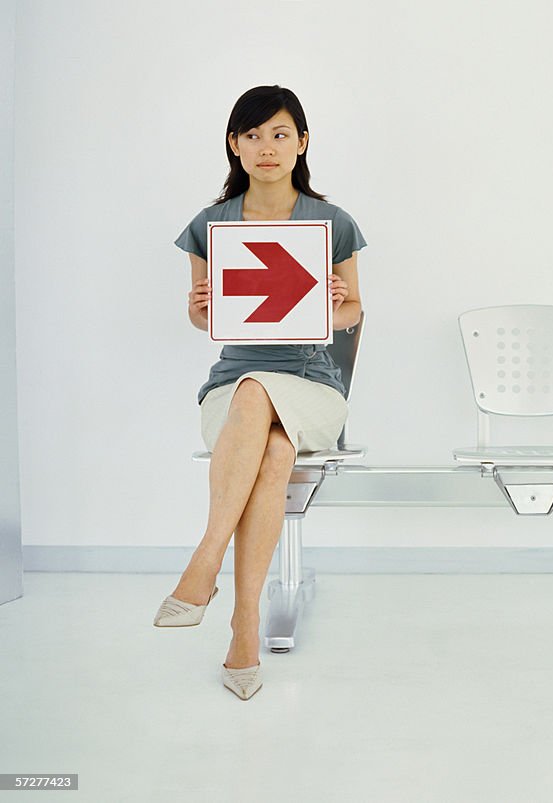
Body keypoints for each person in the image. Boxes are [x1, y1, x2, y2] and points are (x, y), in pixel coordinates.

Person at [154, 85, 366, 701]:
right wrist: (200, 309)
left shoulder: (332, 222)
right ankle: (245, 626)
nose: (266, 147)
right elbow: (205, 322)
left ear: (302, 143)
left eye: (280, 134)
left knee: (259, 395)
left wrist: (334, 303)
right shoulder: (211, 225)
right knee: (267, 439)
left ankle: (204, 562)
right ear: (234, 145)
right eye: (252, 135)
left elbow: (355, 311)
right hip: (232, 386)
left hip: (312, 384)